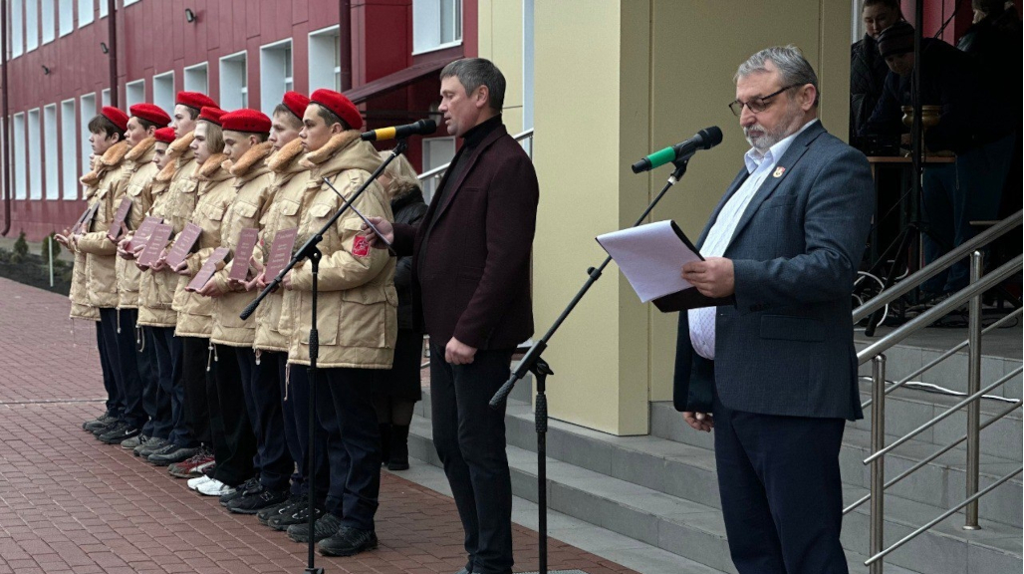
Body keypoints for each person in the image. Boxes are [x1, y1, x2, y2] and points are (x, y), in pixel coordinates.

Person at [673, 46, 873, 574]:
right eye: (740, 105)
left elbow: (831, 267)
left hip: (792, 392)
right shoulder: (754, 170)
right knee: (753, 547)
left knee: (807, 549)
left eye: (759, 103)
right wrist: (701, 377)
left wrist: (738, 277)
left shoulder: (835, 164)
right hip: (735, 386)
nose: (745, 118)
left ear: (806, 97)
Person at [364, 58, 540, 574]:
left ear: (480, 96)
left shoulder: (507, 163)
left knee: (479, 448)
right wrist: (400, 235)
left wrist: (468, 332)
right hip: (443, 330)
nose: (439, 106)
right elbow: (449, 235)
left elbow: (504, 259)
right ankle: (477, 550)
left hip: (474, 337)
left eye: (448, 95)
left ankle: (492, 560)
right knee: (448, 442)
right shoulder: (467, 156)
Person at [279, 88, 396, 557]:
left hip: (354, 325)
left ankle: (359, 521)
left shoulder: (358, 184)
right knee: (329, 424)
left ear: (337, 131)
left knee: (355, 429)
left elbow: (363, 261)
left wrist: (301, 276)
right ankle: (334, 506)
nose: (301, 134)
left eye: (309, 125)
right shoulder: (324, 181)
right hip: (326, 324)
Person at [864, 22, 1015, 293]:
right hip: (938, 153)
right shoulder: (896, 78)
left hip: (982, 143)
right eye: (889, 59)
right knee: (933, 222)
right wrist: (885, 140)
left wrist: (919, 141)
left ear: (916, 50)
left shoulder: (948, 63)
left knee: (968, 224)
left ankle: (958, 294)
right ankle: (933, 291)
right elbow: (878, 121)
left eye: (902, 56)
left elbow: (958, 114)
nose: (896, 63)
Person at [252, 92, 333, 532]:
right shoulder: (281, 179)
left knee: (305, 417)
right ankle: (284, 485)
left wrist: (280, 272)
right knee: (272, 407)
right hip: (270, 310)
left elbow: (304, 248)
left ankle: (303, 492)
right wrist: (246, 267)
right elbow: (259, 240)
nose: (276, 139)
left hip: (299, 313)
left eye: (277, 131)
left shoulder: (311, 178)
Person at [198, 108, 285, 514]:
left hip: (249, 310)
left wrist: (224, 278)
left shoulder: (265, 182)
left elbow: (255, 246)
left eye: (230, 143)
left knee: (257, 405)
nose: (223, 150)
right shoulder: (241, 184)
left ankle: (258, 474)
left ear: (254, 142)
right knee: (234, 399)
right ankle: (241, 469)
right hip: (228, 309)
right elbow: (229, 244)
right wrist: (206, 271)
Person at [170, 106, 259, 499]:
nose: (191, 144)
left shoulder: (251, 183)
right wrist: (179, 260)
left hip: (238, 306)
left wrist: (211, 275)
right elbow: (207, 241)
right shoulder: (221, 184)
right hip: (211, 301)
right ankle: (226, 464)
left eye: (201, 138)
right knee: (213, 392)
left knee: (242, 403)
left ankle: (242, 470)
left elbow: (237, 248)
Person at [137, 91, 218, 471]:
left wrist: (168, 254)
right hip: (168, 280)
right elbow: (162, 222)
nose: (174, 125)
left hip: (185, 283)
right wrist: (141, 246)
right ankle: (174, 432)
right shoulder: (179, 165)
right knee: (168, 370)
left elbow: (197, 231)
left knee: (185, 374)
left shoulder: (198, 169)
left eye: (181, 118)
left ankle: (185, 436)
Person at [68, 107, 134, 444]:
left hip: (115, 280)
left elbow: (116, 232)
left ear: (114, 137)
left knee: (122, 355)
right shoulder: (104, 174)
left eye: (97, 133)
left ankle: (127, 413)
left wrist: (83, 241)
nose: (92, 139)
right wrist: (78, 239)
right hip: (100, 279)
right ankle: (115, 407)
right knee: (108, 353)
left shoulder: (122, 176)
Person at [111, 103, 172, 452]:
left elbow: (170, 228)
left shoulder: (153, 172)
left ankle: (156, 424)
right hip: (135, 275)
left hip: (151, 278)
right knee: (137, 362)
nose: (126, 134)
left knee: (154, 367)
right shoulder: (137, 171)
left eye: (132, 128)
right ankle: (136, 417)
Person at [371, 153, 427, 472]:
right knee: (378, 381)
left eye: (376, 174)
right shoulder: (378, 211)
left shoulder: (417, 211)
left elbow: (411, 263)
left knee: (403, 382)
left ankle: (399, 445)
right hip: (379, 310)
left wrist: (377, 281)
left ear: (392, 176)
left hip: (404, 312)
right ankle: (382, 441)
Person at [132, 125, 181, 461]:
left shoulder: (183, 184)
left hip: (178, 295)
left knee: (177, 378)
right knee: (161, 373)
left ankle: (178, 433)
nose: (157, 160)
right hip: (154, 289)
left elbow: (203, 236)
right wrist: (132, 243)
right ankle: (163, 427)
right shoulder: (163, 188)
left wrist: (175, 256)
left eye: (162, 153)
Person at [850, 0, 903, 143]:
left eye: (881, 19)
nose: (875, 27)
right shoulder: (853, 53)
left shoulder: (911, 53)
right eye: (869, 21)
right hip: (858, 132)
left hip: (899, 132)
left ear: (895, 14)